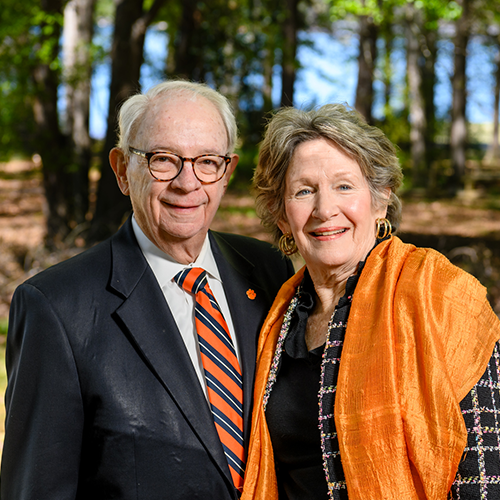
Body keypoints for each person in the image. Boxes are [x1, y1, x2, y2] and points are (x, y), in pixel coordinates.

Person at [1, 80, 294, 499]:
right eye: (163, 159)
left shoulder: (269, 272)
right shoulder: (57, 308)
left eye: (207, 161)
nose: (187, 182)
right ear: (122, 170)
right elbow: (37, 488)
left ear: (227, 173)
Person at [241, 103, 500, 500]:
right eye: (304, 191)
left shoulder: (439, 293)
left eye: (344, 186)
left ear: (380, 200)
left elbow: (486, 471)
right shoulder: (278, 319)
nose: (325, 210)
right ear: (282, 217)